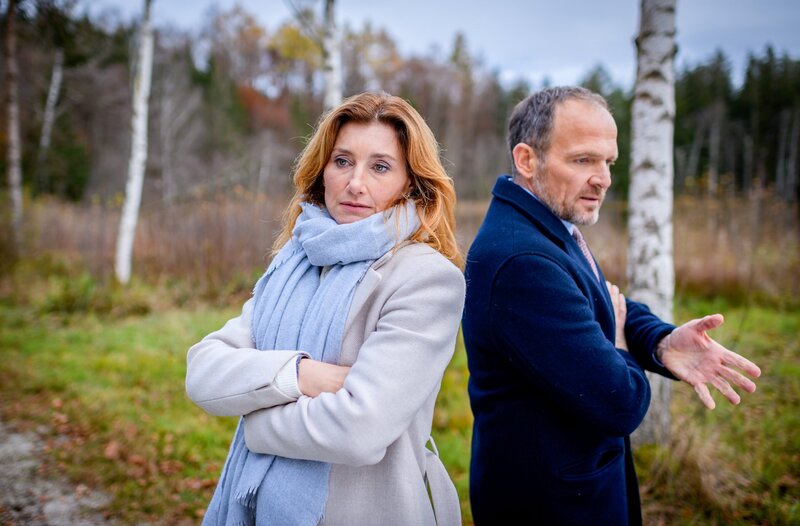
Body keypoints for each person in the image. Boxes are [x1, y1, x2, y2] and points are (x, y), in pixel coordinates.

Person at [462, 86, 762, 525]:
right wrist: (621, 344)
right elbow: (620, 402)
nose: (603, 178)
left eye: (609, 162)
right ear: (527, 160)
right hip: (553, 506)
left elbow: (604, 299)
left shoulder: (541, 225)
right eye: (583, 160)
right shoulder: (521, 259)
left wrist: (660, 341)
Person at [186, 92, 465, 526]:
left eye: (380, 166)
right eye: (342, 161)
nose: (356, 182)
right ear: (322, 170)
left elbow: (360, 430)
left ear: (410, 181)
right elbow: (203, 370)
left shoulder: (426, 279)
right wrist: (301, 375)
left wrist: (256, 422)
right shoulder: (294, 261)